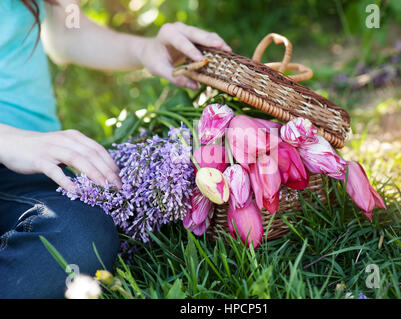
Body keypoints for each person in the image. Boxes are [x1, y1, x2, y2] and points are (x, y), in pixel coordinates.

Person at [0, 0, 231, 298]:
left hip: (32, 167)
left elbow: (67, 31)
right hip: (22, 147)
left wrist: (144, 50)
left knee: (79, 236)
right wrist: (10, 139)